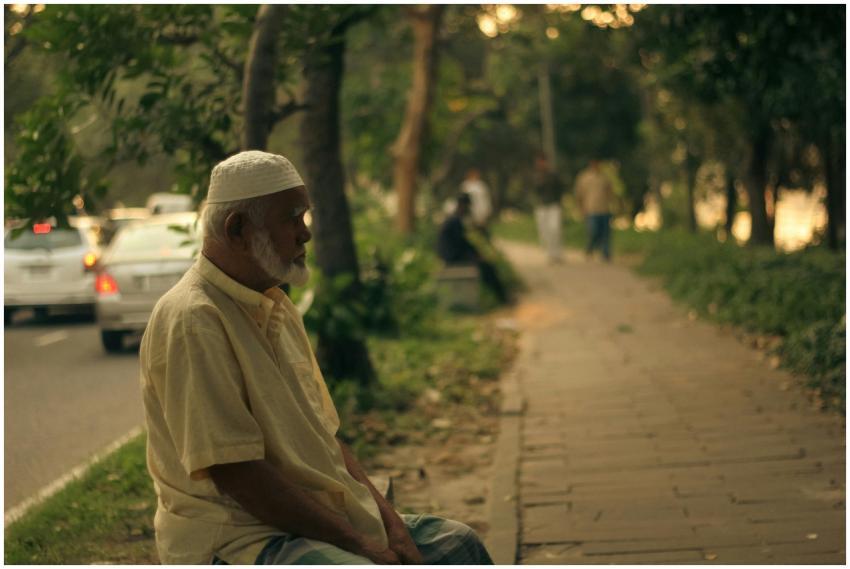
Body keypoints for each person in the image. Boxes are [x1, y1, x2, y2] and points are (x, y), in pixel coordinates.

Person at [140, 150, 494, 565]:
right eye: (292, 219)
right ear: (237, 230)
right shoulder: (193, 318)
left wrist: (391, 525)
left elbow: (325, 437)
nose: (304, 234)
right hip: (244, 540)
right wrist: (359, 545)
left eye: (304, 218)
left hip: (323, 519)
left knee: (459, 545)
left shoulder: (273, 303)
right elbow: (238, 474)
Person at [437, 193, 509, 305]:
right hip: (452, 258)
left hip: (452, 256)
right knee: (487, 268)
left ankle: (502, 297)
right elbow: (461, 244)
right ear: (463, 205)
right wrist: (476, 256)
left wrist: (476, 254)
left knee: (486, 266)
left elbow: (462, 243)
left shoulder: (454, 219)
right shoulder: (454, 221)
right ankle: (503, 299)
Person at [574, 159, 615, 261]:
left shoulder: (604, 178)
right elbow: (579, 195)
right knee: (593, 232)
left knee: (605, 233)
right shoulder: (584, 178)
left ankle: (606, 253)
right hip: (591, 209)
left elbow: (610, 193)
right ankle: (590, 249)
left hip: (604, 209)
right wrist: (581, 209)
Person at [531, 154, 564, 263]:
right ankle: (551, 254)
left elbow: (560, 188)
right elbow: (535, 190)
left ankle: (557, 253)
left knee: (555, 229)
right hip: (541, 206)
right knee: (545, 231)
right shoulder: (536, 176)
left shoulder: (553, 174)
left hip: (554, 205)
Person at [460, 168, 493, 234]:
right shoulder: (465, 185)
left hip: (480, 208)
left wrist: (487, 209)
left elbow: (485, 198)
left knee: (481, 226)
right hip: (468, 209)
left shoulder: (481, 186)